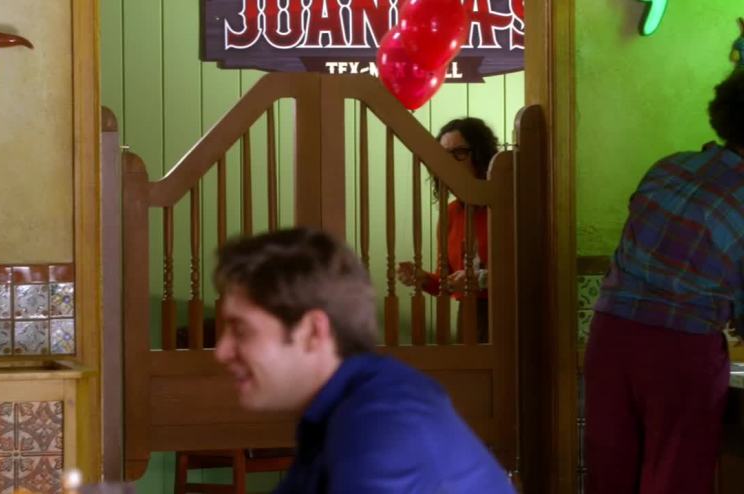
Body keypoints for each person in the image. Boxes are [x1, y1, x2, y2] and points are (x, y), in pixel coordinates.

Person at [213, 228, 515, 493]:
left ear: (313, 332)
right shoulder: (334, 410)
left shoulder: (383, 422)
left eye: (241, 330)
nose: (221, 351)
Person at [585, 70, 744, 494]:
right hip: (681, 352)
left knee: (609, 474)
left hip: (608, 339)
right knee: (674, 478)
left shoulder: (669, 167)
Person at [397, 117, 500, 337]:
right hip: (468, 319)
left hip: (507, 316)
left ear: (481, 155)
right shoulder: (451, 213)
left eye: (459, 152)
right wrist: (422, 278)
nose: (450, 163)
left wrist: (482, 279)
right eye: (444, 156)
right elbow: (444, 282)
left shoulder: (505, 205)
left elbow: (527, 272)